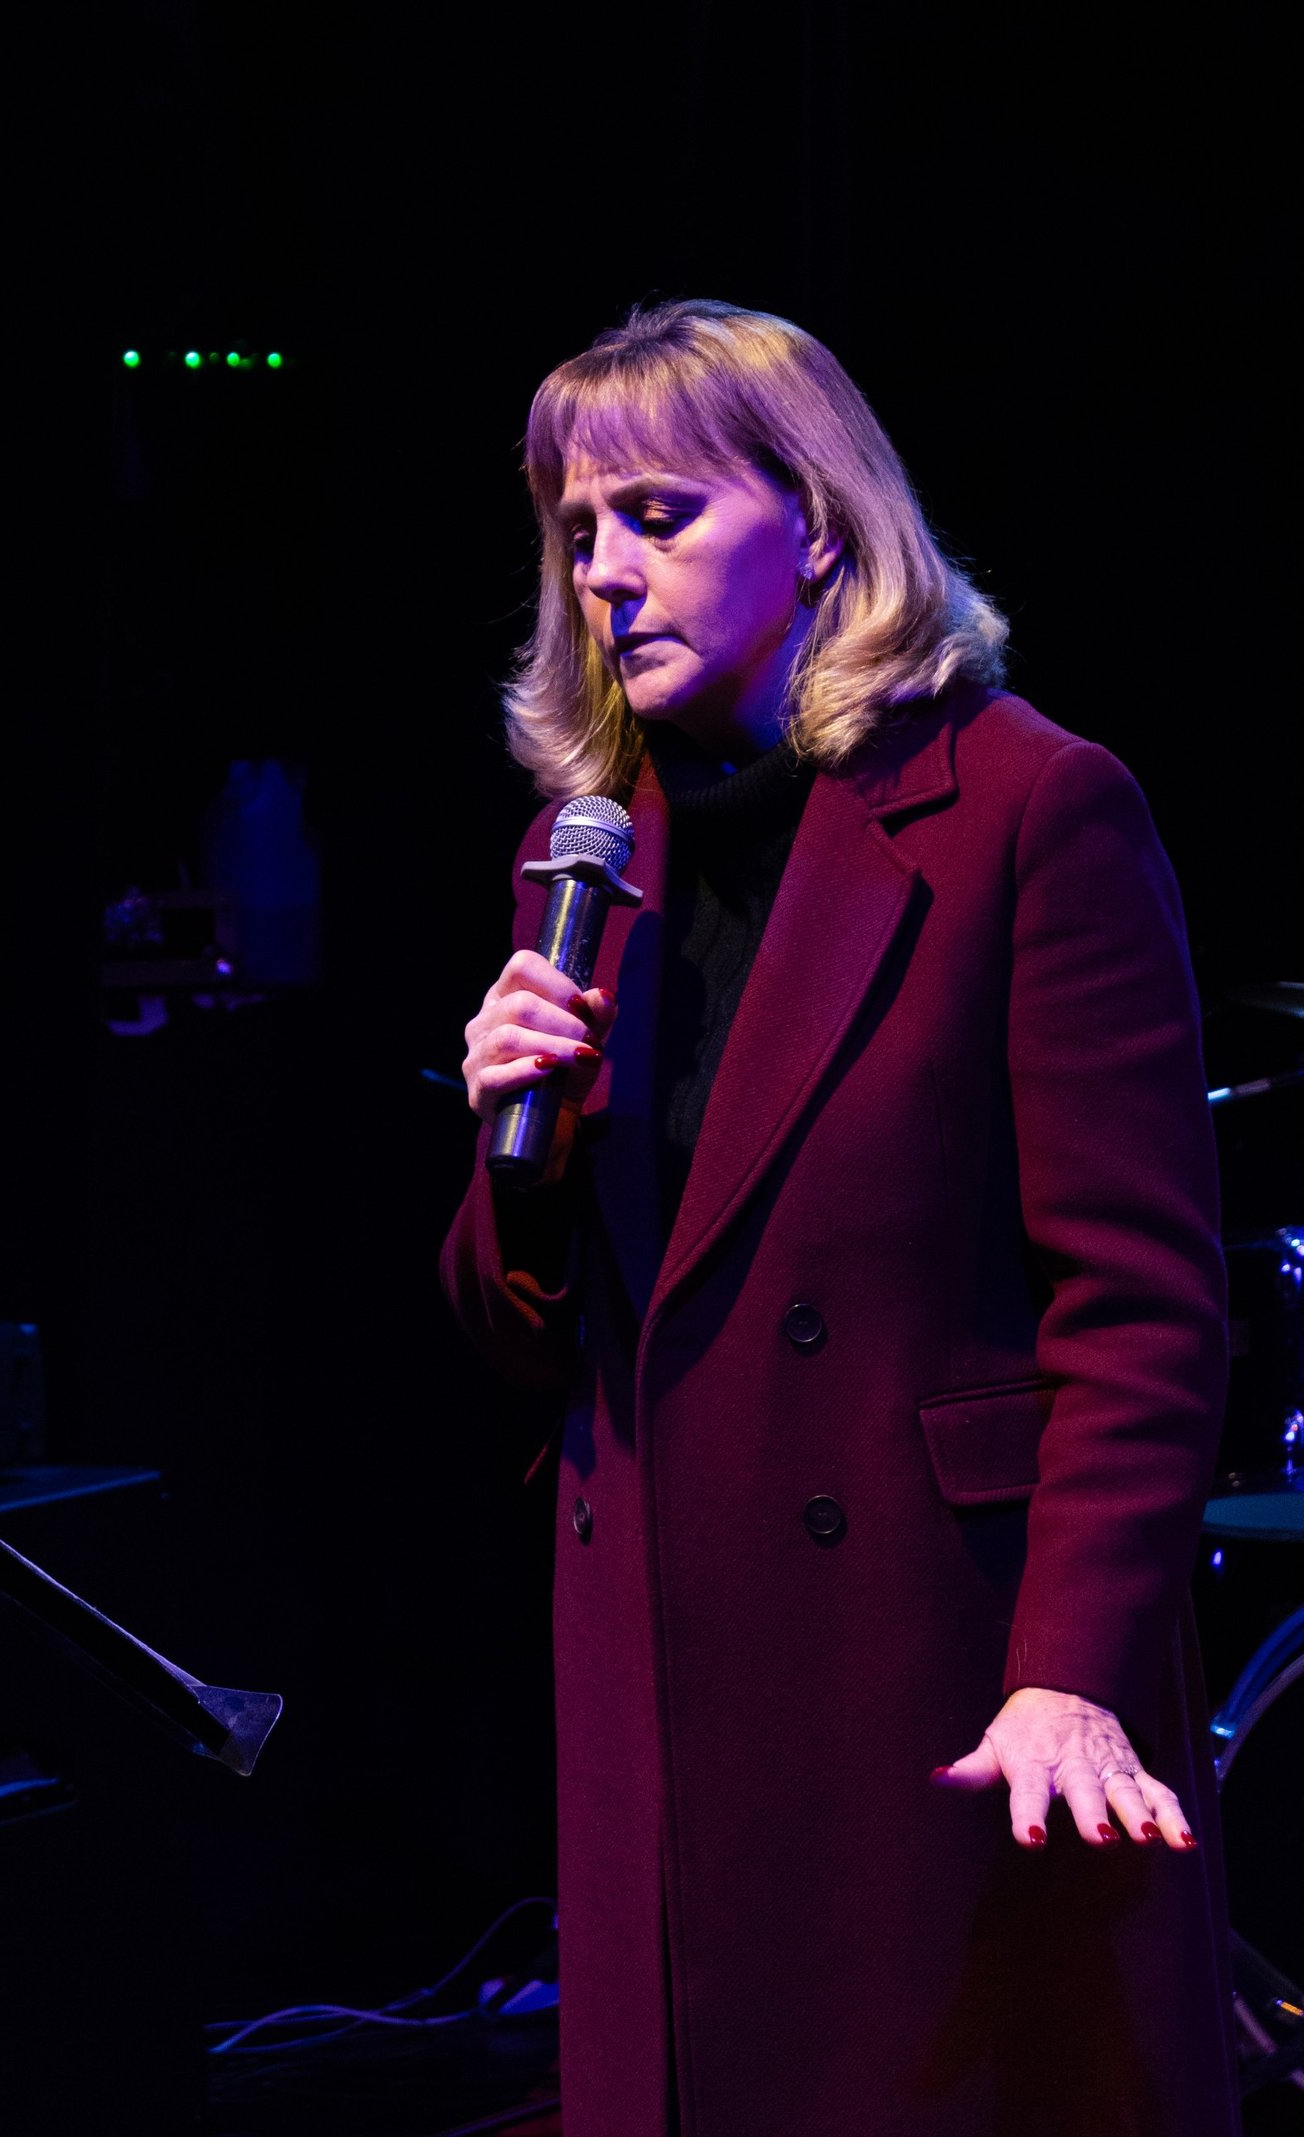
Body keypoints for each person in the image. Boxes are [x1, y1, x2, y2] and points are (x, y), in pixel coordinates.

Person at [439, 301, 1238, 2136]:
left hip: (935, 1673)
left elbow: (1141, 1313)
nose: (604, 574)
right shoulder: (586, 859)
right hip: (656, 1684)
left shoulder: (1025, 807)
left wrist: (1072, 1668)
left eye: (657, 516)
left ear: (811, 525)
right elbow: (522, 1335)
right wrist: (513, 1150)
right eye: (577, 530)